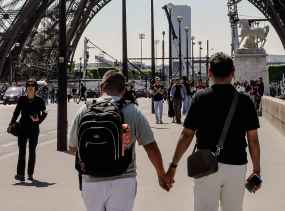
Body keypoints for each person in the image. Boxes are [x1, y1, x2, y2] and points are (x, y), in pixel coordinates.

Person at [165, 53, 262, 210]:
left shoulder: (200, 97)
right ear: (233, 72)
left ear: (210, 73)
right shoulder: (244, 100)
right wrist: (256, 170)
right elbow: (253, 140)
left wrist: (173, 166)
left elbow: (186, 136)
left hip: (206, 165)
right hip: (236, 166)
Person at [68, 71, 169, 210]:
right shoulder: (133, 110)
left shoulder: (85, 109)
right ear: (123, 91)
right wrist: (161, 174)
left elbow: (72, 148)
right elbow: (150, 146)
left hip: (90, 180)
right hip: (123, 178)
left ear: (101, 87)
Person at [7, 78, 48, 182]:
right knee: (22, 151)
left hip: (34, 128)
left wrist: (39, 119)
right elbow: (16, 112)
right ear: (26, 87)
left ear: (35, 88)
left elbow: (45, 112)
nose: (30, 87)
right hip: (22, 128)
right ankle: (20, 174)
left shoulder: (39, 100)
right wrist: (11, 123)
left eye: (32, 85)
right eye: (28, 85)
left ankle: (30, 173)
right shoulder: (22, 99)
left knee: (32, 151)